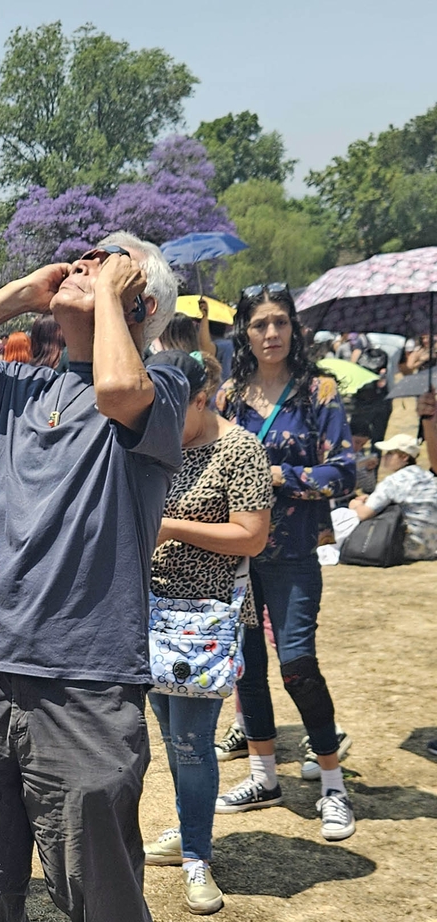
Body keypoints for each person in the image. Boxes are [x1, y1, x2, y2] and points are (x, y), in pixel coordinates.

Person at [0, 232, 186, 922]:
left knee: (96, 887)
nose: (88, 262)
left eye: (112, 262)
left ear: (140, 303)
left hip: (89, 680)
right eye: (88, 255)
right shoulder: (18, 388)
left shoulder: (165, 386)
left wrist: (108, 293)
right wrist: (22, 295)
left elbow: (117, 387)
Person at [214, 283, 357, 841]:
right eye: (259, 324)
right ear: (244, 333)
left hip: (294, 554)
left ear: (294, 327)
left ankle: (332, 784)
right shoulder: (227, 396)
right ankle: (263, 775)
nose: (271, 333)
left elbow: (344, 473)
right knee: (246, 666)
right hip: (235, 556)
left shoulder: (318, 392)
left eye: (280, 322)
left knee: (297, 663)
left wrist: (280, 478)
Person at [140, 351, 272, 916]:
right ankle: (189, 828)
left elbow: (251, 537)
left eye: (173, 405)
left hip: (203, 622)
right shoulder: (162, 441)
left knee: (193, 745)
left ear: (202, 397)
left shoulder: (240, 449)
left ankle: (197, 853)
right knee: (172, 739)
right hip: (148, 613)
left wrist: (167, 526)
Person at [349, 434, 437, 560]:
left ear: (404, 457)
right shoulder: (428, 477)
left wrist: (355, 505)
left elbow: (363, 514)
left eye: (390, 453)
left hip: (407, 548)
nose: (384, 457)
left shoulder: (394, 481)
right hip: (431, 547)